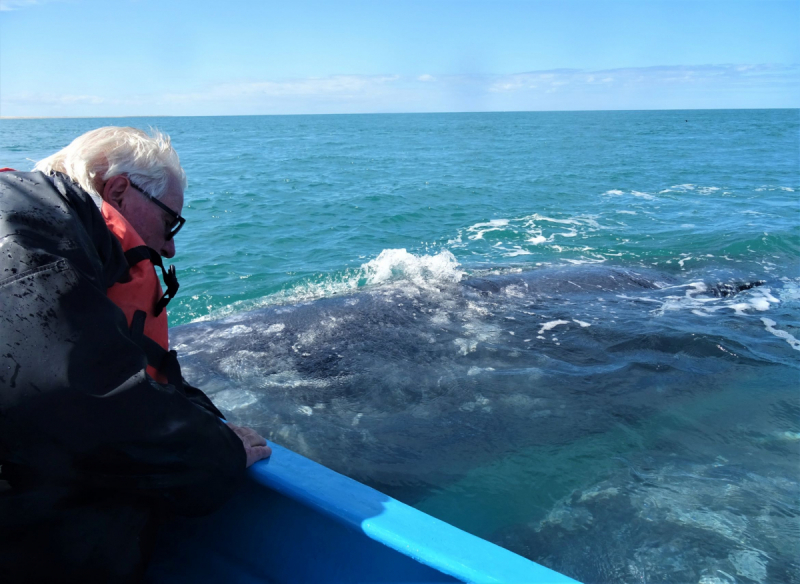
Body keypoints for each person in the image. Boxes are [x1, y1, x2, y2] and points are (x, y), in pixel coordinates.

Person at [0, 127, 272, 583]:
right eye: (170, 223)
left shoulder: (45, 232)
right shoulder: (25, 236)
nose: (169, 248)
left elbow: (119, 364)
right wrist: (218, 453)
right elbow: (80, 399)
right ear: (120, 191)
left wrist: (203, 419)